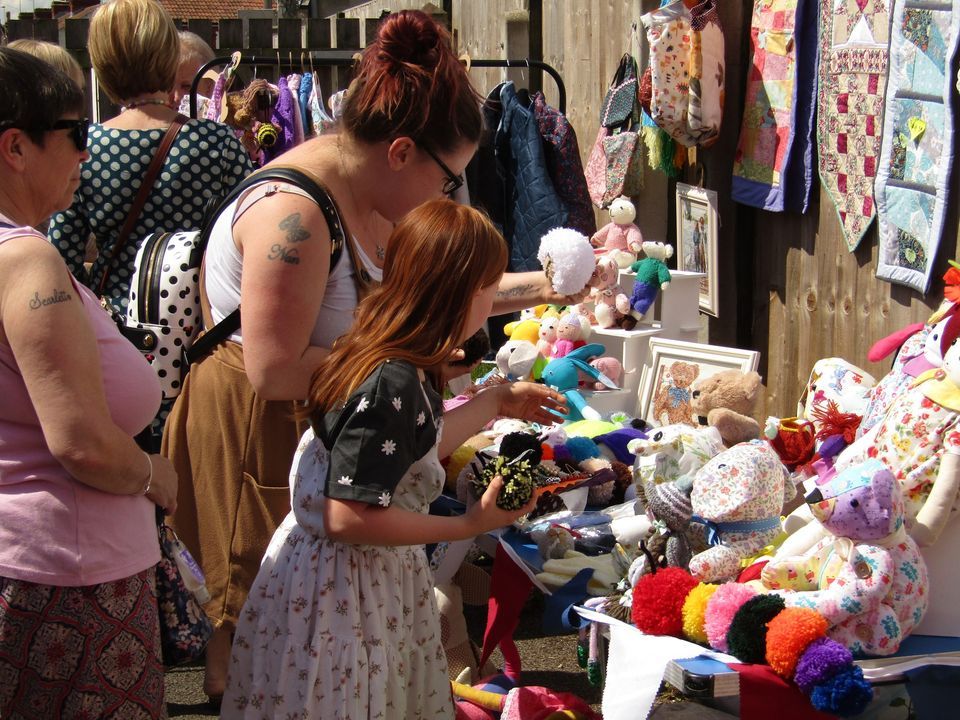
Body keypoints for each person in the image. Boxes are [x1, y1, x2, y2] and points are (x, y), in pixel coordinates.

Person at [161, 8, 584, 702]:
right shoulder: (294, 219)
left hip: (330, 420)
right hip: (257, 433)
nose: (444, 195)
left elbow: (441, 295)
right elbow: (273, 369)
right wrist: (404, 366)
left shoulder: (369, 198)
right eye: (448, 179)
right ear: (400, 153)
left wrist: (548, 291)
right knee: (267, 651)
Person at [222, 199, 567, 718]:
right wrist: (469, 523)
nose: (492, 300)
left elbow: (410, 452)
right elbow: (348, 515)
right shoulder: (391, 378)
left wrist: (495, 401)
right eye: (488, 288)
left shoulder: (391, 353)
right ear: (460, 293)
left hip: (346, 580)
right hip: (349, 593)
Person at [0, 47, 177, 718]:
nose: (86, 150)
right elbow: (80, 441)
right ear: (15, 147)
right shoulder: (27, 261)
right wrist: (152, 474)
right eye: (76, 132)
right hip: (68, 581)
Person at [47, 0, 254, 448]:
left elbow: (60, 260)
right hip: (205, 347)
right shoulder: (216, 143)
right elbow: (250, 244)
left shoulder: (86, 147)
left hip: (122, 352)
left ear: (101, 66)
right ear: (166, 57)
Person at [173, 30, 217, 115]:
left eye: (186, 87)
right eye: (168, 86)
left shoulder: (222, 127)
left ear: (209, 87)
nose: (176, 97)